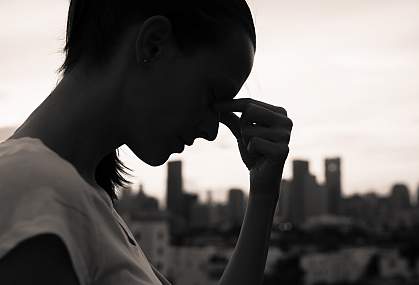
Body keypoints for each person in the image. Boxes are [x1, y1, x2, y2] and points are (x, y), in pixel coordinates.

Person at [0, 0, 293, 284]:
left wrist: (263, 195)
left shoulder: (74, 199)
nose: (210, 130)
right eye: (212, 96)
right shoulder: (37, 195)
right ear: (153, 44)